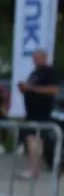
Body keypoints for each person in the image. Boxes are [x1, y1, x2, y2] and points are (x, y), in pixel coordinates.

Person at [18, 48, 58, 180]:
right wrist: (24, 89)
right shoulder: (34, 73)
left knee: (35, 141)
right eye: (33, 58)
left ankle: (33, 170)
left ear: (44, 58)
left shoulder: (48, 72)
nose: (34, 61)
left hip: (41, 113)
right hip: (31, 112)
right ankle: (33, 169)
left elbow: (53, 89)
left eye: (37, 58)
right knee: (32, 141)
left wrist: (32, 88)